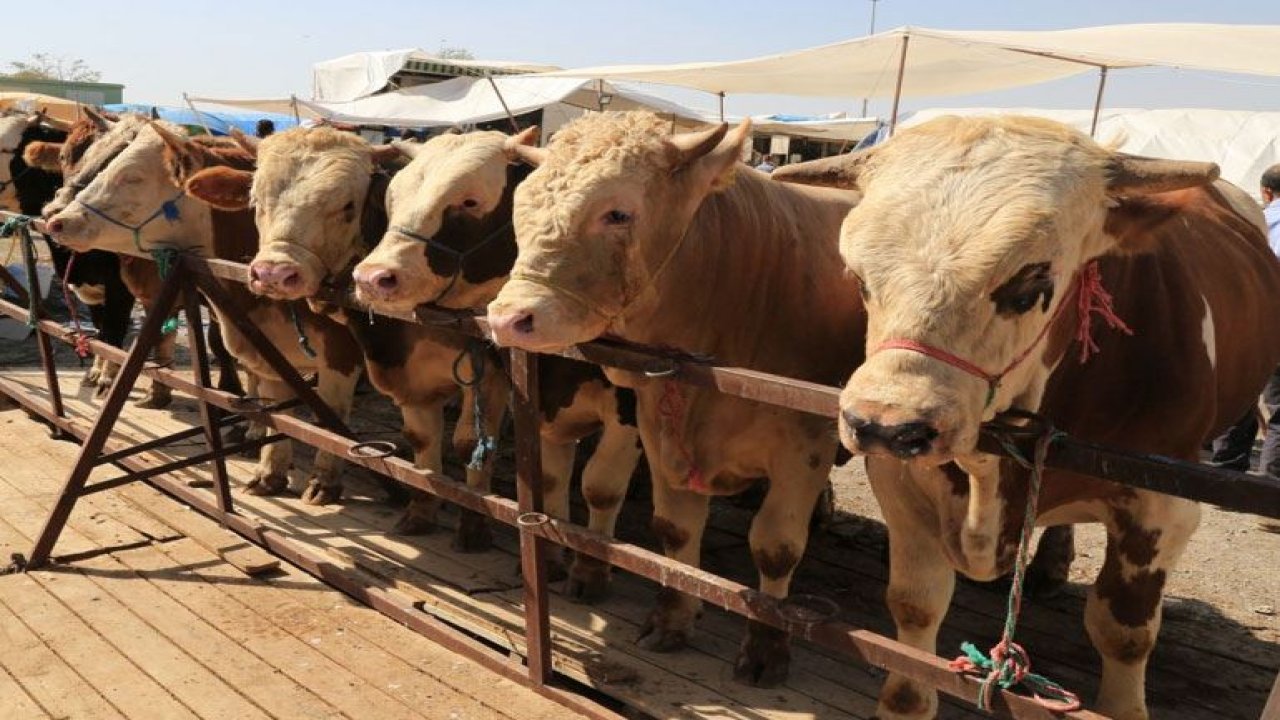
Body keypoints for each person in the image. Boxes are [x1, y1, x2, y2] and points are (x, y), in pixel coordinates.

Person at [1209, 164, 1280, 476]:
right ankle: (1272, 486)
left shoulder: (1252, 222)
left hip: (1247, 319)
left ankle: (1226, 470)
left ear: (1265, 192)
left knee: (1239, 393)